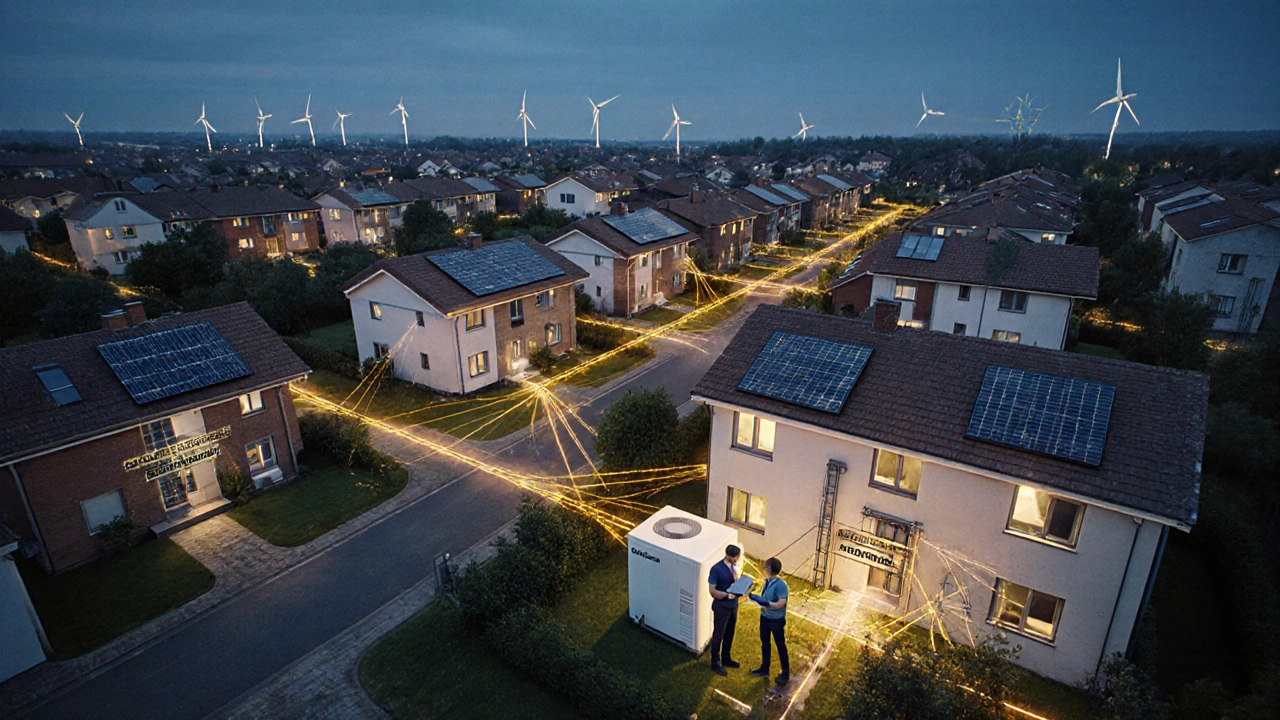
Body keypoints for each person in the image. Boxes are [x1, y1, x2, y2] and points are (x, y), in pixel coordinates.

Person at [749, 557, 790, 685]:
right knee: (765, 643)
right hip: (765, 618)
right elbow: (764, 597)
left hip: (776, 621)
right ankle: (764, 668)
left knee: (780, 645)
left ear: (771, 569)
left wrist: (768, 603)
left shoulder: (781, 585)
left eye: (766, 567)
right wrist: (755, 598)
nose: (764, 568)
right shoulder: (767, 582)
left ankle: (785, 673)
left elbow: (781, 603)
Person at [707, 544, 744, 675]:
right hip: (722, 607)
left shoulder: (735, 567)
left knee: (730, 632)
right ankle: (715, 662)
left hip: (733, 606)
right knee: (719, 635)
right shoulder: (716, 569)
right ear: (735, 556)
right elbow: (712, 591)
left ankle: (726, 658)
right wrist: (728, 595)